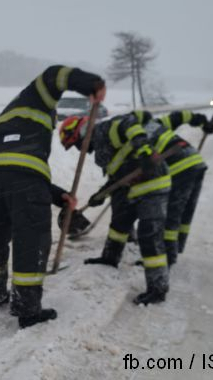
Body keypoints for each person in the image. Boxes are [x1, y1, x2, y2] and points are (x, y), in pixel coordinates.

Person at [0, 65, 105, 328]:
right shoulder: (35, 98)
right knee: (30, 237)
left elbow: (16, 170)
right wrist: (92, 83)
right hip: (22, 178)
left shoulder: (6, 117)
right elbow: (55, 75)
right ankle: (28, 309)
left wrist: (60, 197)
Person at [59, 111, 172, 305]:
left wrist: (144, 150)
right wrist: (100, 195)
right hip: (130, 188)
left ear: (82, 134)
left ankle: (157, 288)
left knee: (149, 235)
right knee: (119, 224)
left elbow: (129, 122)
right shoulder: (102, 148)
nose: (81, 150)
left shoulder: (105, 129)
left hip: (152, 184)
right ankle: (110, 257)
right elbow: (118, 175)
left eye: (77, 144)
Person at [134, 110, 213, 266]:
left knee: (171, 213)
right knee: (185, 210)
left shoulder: (135, 138)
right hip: (196, 162)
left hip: (180, 168)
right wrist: (204, 121)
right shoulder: (156, 124)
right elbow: (181, 115)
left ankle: (168, 257)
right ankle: (177, 247)